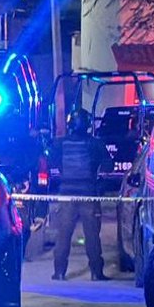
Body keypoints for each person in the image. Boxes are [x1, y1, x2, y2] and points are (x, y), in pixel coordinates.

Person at [51, 109, 112, 281]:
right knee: (92, 236)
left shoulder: (59, 143)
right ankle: (96, 273)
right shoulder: (95, 143)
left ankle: (59, 272)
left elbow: (53, 162)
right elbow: (109, 166)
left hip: (66, 195)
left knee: (63, 235)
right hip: (89, 195)